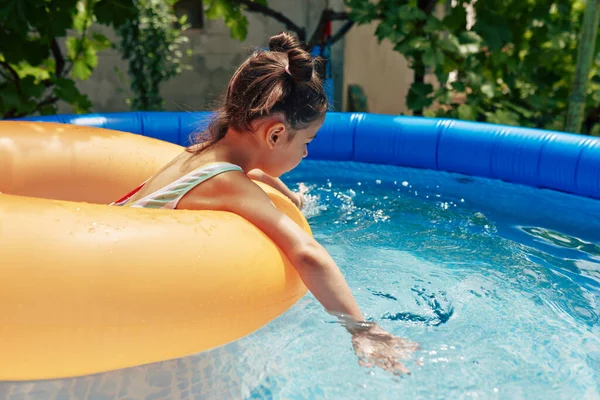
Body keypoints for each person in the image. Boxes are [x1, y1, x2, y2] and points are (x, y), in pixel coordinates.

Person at [112, 32, 417, 375]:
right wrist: (362, 329)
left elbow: (256, 173)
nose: (306, 152)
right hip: (113, 293)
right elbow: (306, 253)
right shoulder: (227, 183)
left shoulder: (202, 154)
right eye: (306, 141)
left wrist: (287, 195)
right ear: (274, 135)